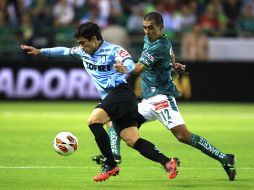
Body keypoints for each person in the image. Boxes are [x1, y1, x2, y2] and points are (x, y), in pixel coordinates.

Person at [20, 22, 180, 182]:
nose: (81, 47)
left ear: (95, 39)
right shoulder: (83, 52)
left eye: (84, 42)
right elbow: (64, 51)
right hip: (118, 100)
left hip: (121, 94)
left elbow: (129, 62)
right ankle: (167, 162)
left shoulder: (113, 50)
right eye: (79, 44)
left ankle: (110, 164)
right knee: (131, 139)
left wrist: (125, 68)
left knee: (93, 121)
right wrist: (40, 51)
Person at [92, 12, 236, 181]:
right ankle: (114, 158)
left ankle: (225, 158)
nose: (147, 31)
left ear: (161, 27)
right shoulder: (152, 40)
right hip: (147, 102)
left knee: (183, 136)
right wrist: (172, 65)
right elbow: (171, 53)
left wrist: (125, 69)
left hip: (161, 99)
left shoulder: (159, 45)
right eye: (144, 28)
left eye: (151, 28)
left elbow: (138, 69)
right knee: (115, 120)